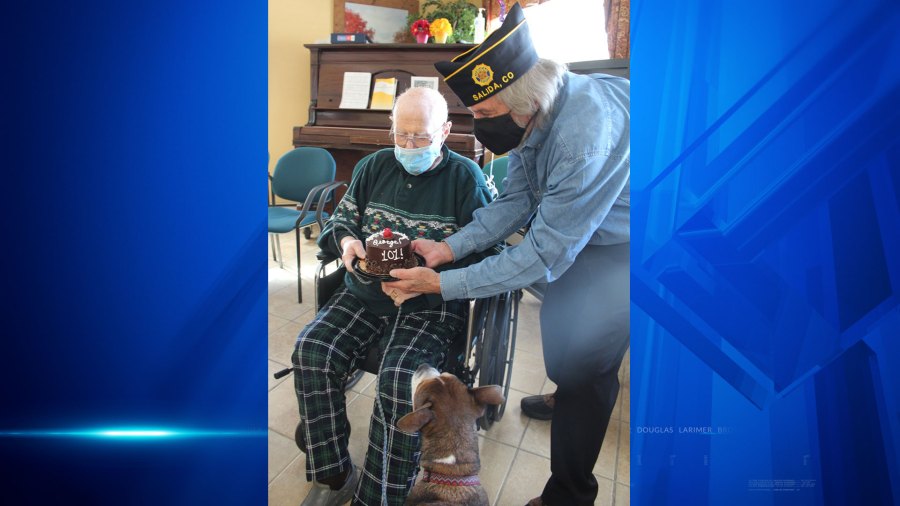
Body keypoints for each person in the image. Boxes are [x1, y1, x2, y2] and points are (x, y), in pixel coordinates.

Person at [382, 4, 630, 505]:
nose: (479, 127)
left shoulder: (583, 138)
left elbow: (541, 254)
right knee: (563, 331)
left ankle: (570, 492)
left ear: (527, 103)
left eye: (485, 116)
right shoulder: (531, 118)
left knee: (591, 363)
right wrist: (449, 247)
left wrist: (441, 283)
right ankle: (568, 387)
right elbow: (515, 201)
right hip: (574, 226)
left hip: (632, 238)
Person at [291, 87, 492, 506]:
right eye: (401, 135)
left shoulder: (464, 178)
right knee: (312, 348)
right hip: (366, 292)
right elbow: (341, 222)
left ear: (446, 131)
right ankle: (334, 472)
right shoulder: (372, 166)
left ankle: (380, 496)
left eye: (421, 137)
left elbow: (488, 251)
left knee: (399, 381)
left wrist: (432, 278)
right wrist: (348, 244)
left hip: (430, 305)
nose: (409, 145)